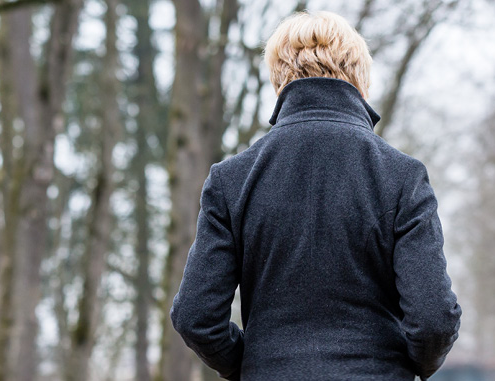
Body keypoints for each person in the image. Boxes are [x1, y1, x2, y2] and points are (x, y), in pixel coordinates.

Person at [170, 10, 462, 381]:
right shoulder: (402, 176)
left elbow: (196, 316)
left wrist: (255, 363)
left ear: (278, 79)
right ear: (360, 78)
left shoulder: (232, 180)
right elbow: (433, 318)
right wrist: (406, 366)